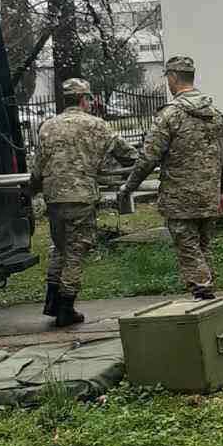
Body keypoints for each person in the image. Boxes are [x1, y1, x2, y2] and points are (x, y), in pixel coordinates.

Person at [120, 55, 223, 301]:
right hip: (208, 196)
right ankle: (208, 296)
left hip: (179, 199)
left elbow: (148, 158)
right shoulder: (216, 114)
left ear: (172, 78)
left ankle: (204, 293)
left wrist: (129, 188)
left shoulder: (169, 115)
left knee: (189, 250)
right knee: (202, 248)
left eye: (167, 79)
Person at [29, 77, 140, 328]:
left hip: (54, 197)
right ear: (84, 99)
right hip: (81, 197)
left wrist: (32, 191)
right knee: (76, 252)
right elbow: (129, 155)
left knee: (59, 247)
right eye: (89, 98)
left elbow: (37, 169)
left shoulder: (48, 126)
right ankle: (66, 309)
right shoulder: (97, 126)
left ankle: (52, 303)